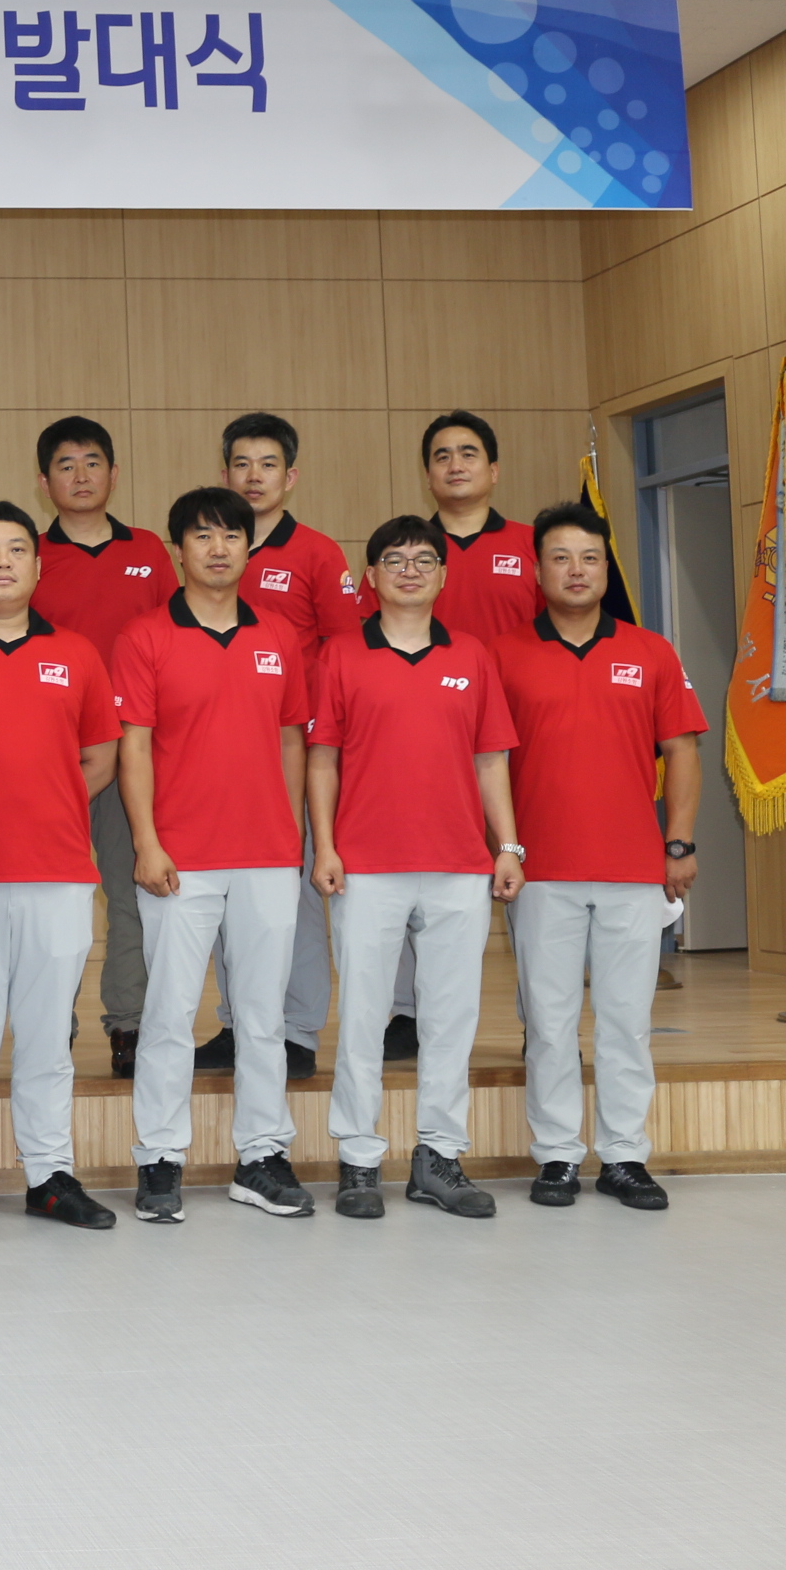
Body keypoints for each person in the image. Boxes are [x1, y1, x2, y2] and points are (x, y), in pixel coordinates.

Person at [308, 515, 523, 1221]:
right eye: (395, 560)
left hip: (459, 864)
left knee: (451, 1017)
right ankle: (359, 1158)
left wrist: (508, 845)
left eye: (424, 559)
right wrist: (325, 846)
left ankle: (439, 1156)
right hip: (367, 865)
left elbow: (491, 759)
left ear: (443, 574)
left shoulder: (473, 655)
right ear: (370, 577)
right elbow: (322, 760)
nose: (409, 570)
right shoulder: (341, 654)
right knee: (364, 1017)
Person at [492, 503, 704, 1213]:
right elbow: (486, 762)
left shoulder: (652, 651)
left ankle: (623, 1157)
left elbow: (681, 751)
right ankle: (556, 1155)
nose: (576, 570)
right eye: (561, 557)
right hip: (541, 872)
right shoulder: (503, 653)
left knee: (625, 1023)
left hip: (634, 870)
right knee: (549, 1024)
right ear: (537, 570)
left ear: (606, 568)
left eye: (589, 557)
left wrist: (678, 843)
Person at [114, 487, 316, 1223]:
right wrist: (146, 842)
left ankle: (261, 1156)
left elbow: (292, 739)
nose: (219, 547)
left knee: (262, 1017)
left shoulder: (279, 636)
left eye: (231, 534)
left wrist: (290, 836)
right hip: (180, 859)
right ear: (178, 550)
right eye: (202, 535)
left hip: (267, 857)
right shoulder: (145, 636)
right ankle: (160, 1159)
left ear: (249, 547)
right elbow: (134, 747)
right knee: (169, 1015)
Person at [0, 502, 121, 1236]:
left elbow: (100, 757)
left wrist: (49, 799)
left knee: (46, 1035)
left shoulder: (78, 653)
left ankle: (50, 1175)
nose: (3, 562)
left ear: (38, 566)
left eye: (16, 549)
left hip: (59, 874)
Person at [196, 411, 366, 1076]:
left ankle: (296, 1029)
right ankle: (237, 1022)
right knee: (224, 891)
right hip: (221, 753)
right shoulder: (211, 547)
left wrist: (329, 743)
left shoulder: (317, 553)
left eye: (268, 465)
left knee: (294, 893)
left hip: (297, 750)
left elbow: (347, 653)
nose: (254, 476)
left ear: (290, 477)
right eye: (241, 464)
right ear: (224, 473)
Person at [30, 416, 177, 1081]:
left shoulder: (147, 549)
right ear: (44, 482)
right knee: (52, 903)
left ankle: (129, 1023)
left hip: (132, 755)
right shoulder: (31, 556)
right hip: (52, 758)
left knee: (130, 893)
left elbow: (175, 640)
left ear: (114, 474)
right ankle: (49, 1028)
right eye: (66, 465)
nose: (81, 475)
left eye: (93, 462)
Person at [359, 410, 545, 642]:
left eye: (468, 455)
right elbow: (367, 631)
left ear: (493, 471)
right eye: (443, 458)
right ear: (428, 477)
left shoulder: (536, 543)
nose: (456, 467)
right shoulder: (396, 549)